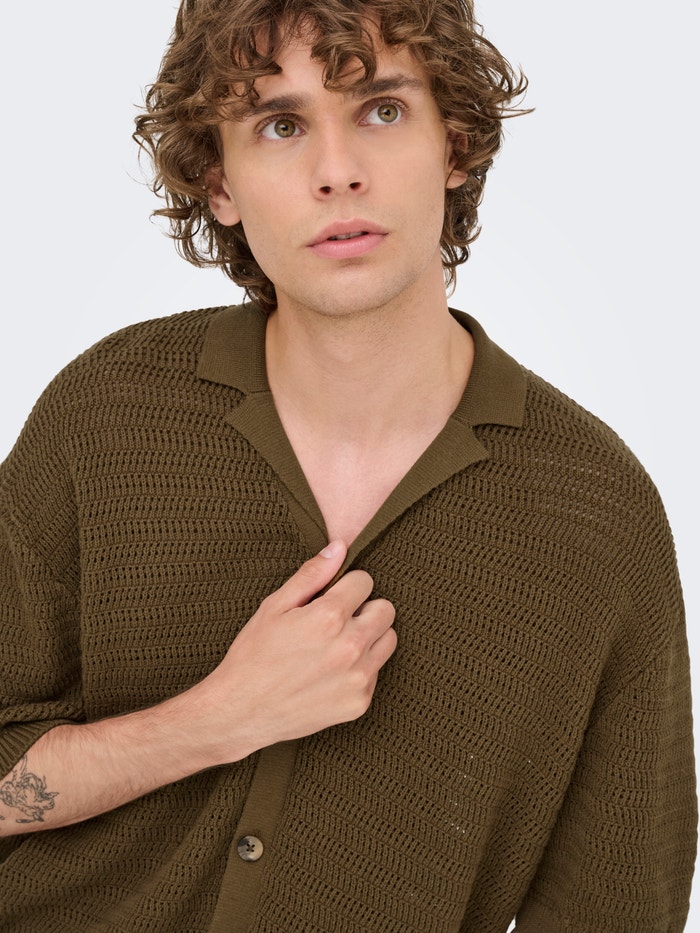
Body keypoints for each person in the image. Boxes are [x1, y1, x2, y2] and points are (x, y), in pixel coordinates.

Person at [0, 0, 695, 929]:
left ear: (455, 145)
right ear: (219, 183)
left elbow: (616, 905)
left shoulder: (595, 514)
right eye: (280, 125)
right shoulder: (105, 415)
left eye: (382, 110)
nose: (338, 171)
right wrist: (216, 719)